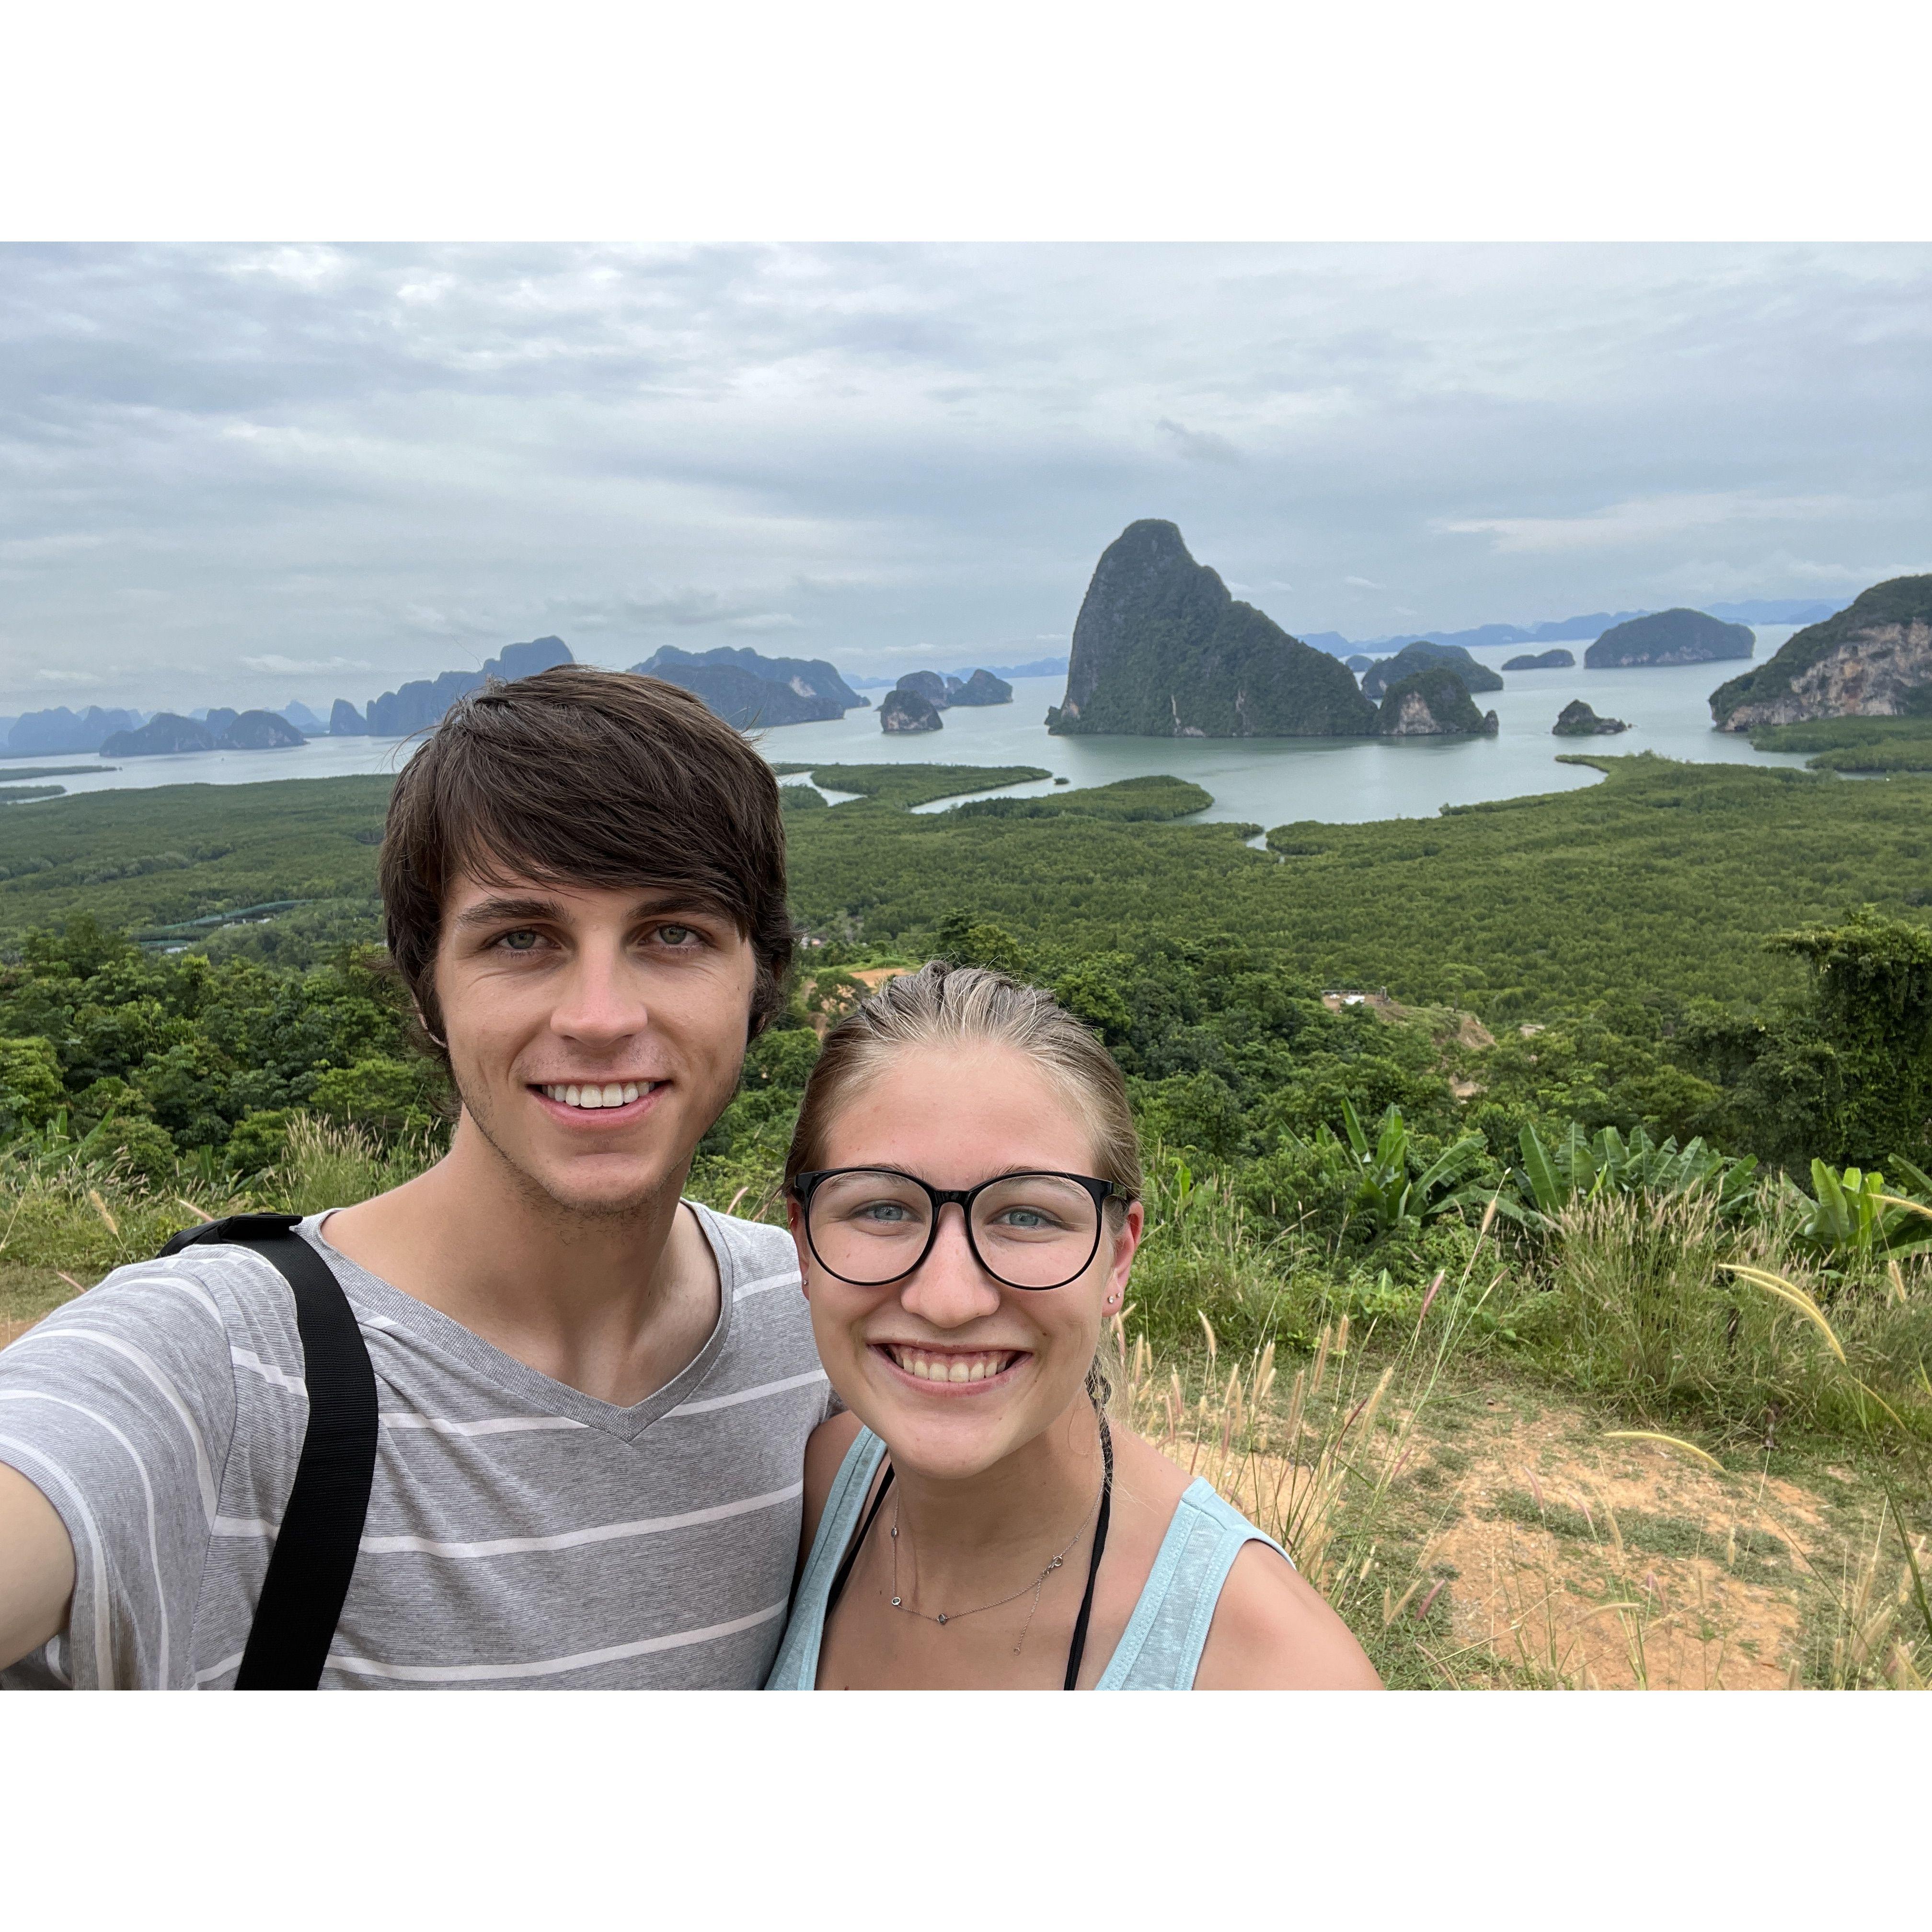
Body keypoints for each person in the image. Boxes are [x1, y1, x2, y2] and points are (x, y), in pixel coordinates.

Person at [0, 666, 834, 1689]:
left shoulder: (826, 1323)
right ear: (427, 985)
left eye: (674, 935)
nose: (602, 1016)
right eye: (522, 939)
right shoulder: (224, 1361)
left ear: (761, 976)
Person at [765, 962, 1381, 1690]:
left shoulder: (1279, 1675)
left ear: (1118, 1258)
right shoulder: (815, 1490)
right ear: (804, 1243)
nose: (949, 1300)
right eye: (883, 1209)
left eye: (1027, 1215)